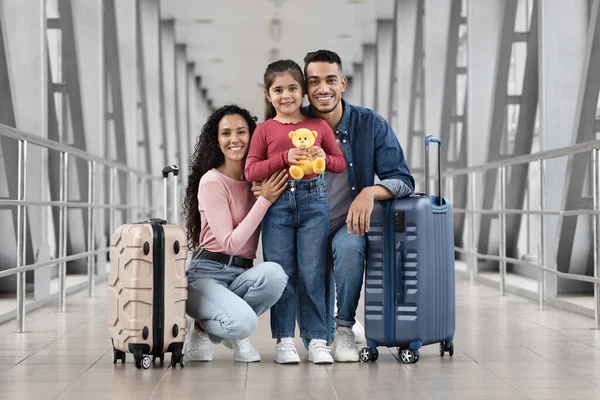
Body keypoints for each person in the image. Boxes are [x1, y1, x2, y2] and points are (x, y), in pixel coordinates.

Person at [303, 50, 415, 362]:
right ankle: (323, 329)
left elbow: (403, 178)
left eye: (330, 80)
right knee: (315, 338)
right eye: (314, 82)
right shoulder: (292, 127)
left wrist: (370, 191)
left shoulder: (370, 125)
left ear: (343, 83)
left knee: (351, 248)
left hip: (345, 223)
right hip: (305, 225)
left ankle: (344, 328)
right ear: (306, 87)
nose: (323, 88)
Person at [244, 60, 346, 364]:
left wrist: (323, 157)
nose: (286, 95)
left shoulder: (319, 127)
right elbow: (251, 170)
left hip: (314, 205)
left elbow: (339, 164)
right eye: (278, 90)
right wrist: (284, 156)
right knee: (282, 275)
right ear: (267, 94)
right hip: (277, 208)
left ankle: (317, 340)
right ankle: (284, 339)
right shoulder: (264, 130)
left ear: (302, 91)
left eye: (292, 88)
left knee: (314, 273)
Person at [182, 104, 289, 363]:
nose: (234, 140)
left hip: (241, 274)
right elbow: (230, 243)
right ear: (217, 140)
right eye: (226, 133)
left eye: (241, 132)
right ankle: (203, 327)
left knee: (276, 274)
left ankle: (228, 321)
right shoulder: (212, 181)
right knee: (244, 323)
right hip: (205, 276)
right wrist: (264, 200)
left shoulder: (259, 181)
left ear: (253, 137)